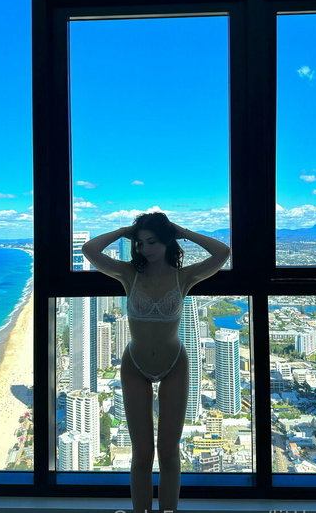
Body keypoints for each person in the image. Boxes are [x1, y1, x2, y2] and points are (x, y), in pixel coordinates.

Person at [82, 212, 230, 513]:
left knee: (169, 453)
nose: (144, 248)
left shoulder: (183, 277)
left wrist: (181, 231)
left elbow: (222, 253)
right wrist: (125, 230)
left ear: (167, 242)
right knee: (141, 454)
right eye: (140, 243)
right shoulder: (129, 274)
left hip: (175, 364)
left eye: (152, 241)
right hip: (134, 365)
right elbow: (90, 250)